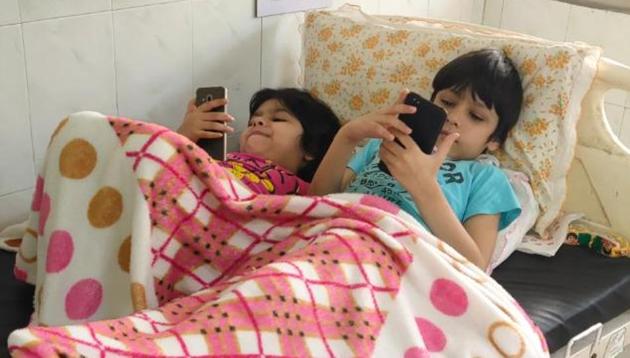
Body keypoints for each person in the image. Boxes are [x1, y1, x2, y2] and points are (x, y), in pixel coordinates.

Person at [309, 49, 524, 270]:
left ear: (495, 140)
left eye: (476, 116)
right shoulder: (382, 144)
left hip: (396, 259)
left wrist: (424, 187)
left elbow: (475, 268)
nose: (454, 117)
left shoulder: (485, 178)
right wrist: (347, 137)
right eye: (448, 102)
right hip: (332, 235)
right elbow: (318, 200)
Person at [178, 87, 341, 195]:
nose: (257, 122)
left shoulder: (306, 189)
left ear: (311, 148)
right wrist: (184, 136)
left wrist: (348, 136)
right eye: (252, 122)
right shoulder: (220, 159)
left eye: (277, 119)